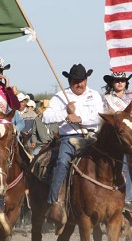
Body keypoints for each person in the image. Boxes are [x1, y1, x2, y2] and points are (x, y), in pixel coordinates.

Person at [43, 63, 104, 228]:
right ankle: (53, 202)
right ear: (69, 81)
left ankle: (123, 200)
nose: (80, 84)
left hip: (93, 137)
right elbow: (46, 118)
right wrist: (66, 114)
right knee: (62, 162)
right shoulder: (60, 96)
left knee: (114, 160)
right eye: (76, 80)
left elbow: (100, 118)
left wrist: (80, 119)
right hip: (69, 138)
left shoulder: (95, 95)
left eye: (82, 80)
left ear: (86, 79)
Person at [101, 71, 132, 213]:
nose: (120, 83)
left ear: (126, 82)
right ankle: (127, 199)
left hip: (130, 134)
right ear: (112, 83)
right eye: (117, 80)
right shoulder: (106, 99)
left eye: (123, 80)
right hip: (113, 136)